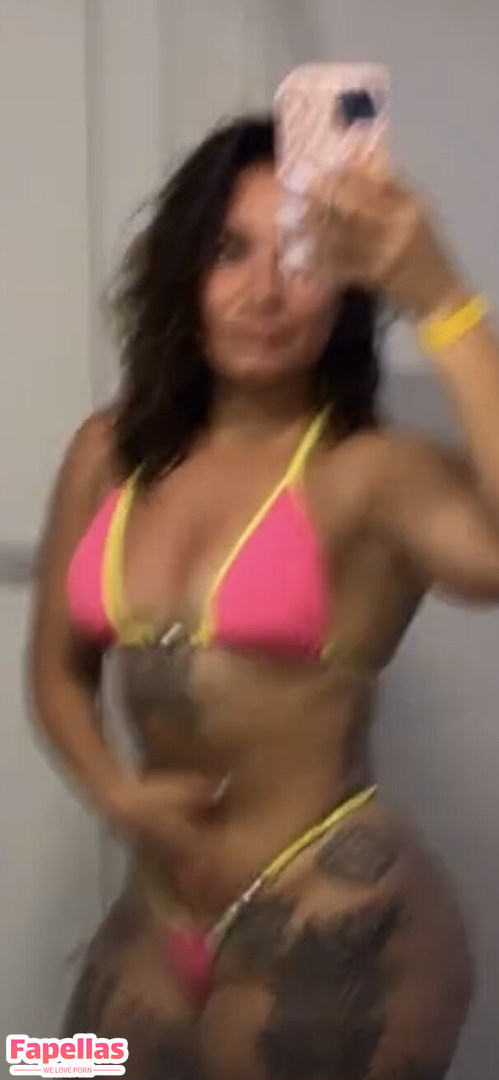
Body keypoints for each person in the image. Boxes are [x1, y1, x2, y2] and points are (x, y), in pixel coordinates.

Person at [29, 113, 499, 1080]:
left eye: (299, 255)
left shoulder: (371, 472)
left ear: (348, 283)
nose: (264, 293)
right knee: (49, 1065)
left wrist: (441, 299)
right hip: (156, 917)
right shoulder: (106, 452)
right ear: (181, 272)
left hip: (337, 915)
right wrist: (113, 789)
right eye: (227, 252)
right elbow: (55, 673)